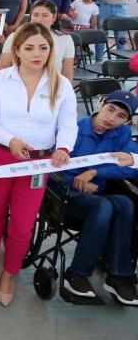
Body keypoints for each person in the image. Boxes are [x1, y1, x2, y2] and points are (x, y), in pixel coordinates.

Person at [0, 21, 76, 306]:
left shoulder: (62, 84)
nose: (37, 53)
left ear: (51, 51)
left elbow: (68, 125)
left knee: (22, 225)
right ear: (17, 50)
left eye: (43, 48)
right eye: (29, 47)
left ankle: (9, 274)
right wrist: (10, 141)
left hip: (38, 163)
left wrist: (63, 147)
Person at [59, 90, 138, 305]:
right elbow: (51, 166)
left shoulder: (121, 135)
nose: (112, 118)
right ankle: (76, 274)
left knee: (125, 203)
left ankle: (118, 276)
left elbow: (134, 165)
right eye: (110, 109)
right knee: (104, 206)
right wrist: (76, 179)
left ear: (128, 121)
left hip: (97, 194)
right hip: (65, 195)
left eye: (121, 116)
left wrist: (95, 172)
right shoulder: (73, 129)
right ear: (100, 104)